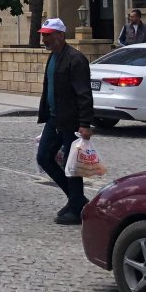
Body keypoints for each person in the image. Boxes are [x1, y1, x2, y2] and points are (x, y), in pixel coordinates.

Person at [35, 18, 95, 225]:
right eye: (43, 35)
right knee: (44, 157)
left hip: (70, 121)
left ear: (60, 35)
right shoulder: (53, 57)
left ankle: (77, 207)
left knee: (72, 166)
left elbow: (84, 94)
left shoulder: (75, 59)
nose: (44, 39)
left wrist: (85, 124)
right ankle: (76, 200)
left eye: (48, 35)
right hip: (54, 119)